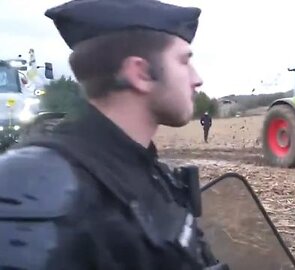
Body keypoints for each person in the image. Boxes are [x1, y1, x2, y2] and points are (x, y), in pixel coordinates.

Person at [0, 0, 228, 269]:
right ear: (141, 73)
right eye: (183, 61)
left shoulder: (150, 172)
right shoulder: (37, 183)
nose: (196, 78)